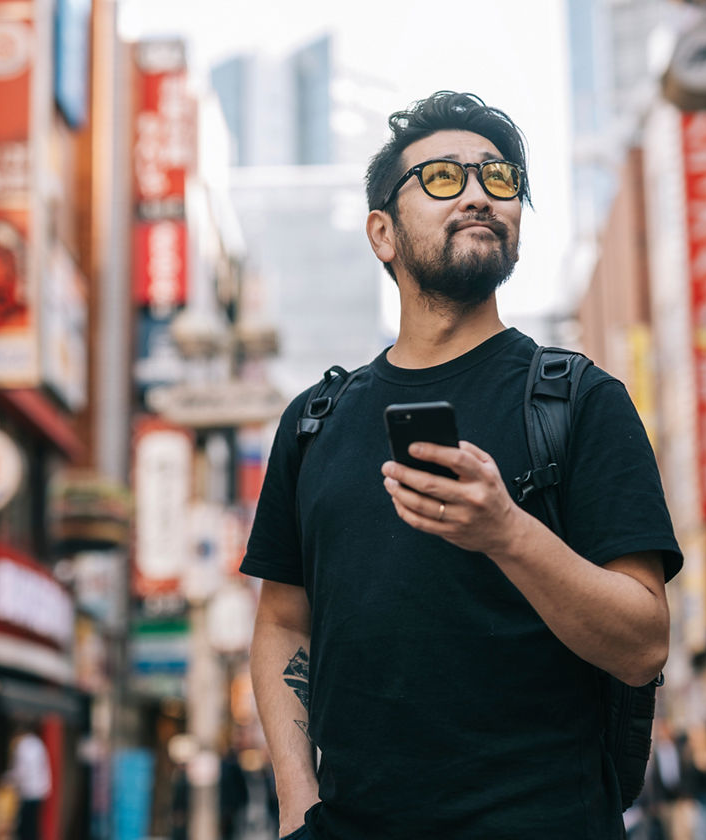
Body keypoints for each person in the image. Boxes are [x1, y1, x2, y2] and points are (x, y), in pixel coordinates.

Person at [240, 91, 682, 840]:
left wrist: (506, 531)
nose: (479, 194)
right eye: (444, 178)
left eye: (500, 179)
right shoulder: (316, 424)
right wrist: (295, 803)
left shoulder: (581, 402)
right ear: (381, 232)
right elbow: (283, 622)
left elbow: (643, 644)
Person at [5, 719, 51, 840]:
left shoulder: (23, 746)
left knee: (26, 826)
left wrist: (8, 779)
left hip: (28, 791)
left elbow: (21, 771)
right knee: (34, 824)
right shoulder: (38, 743)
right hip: (40, 790)